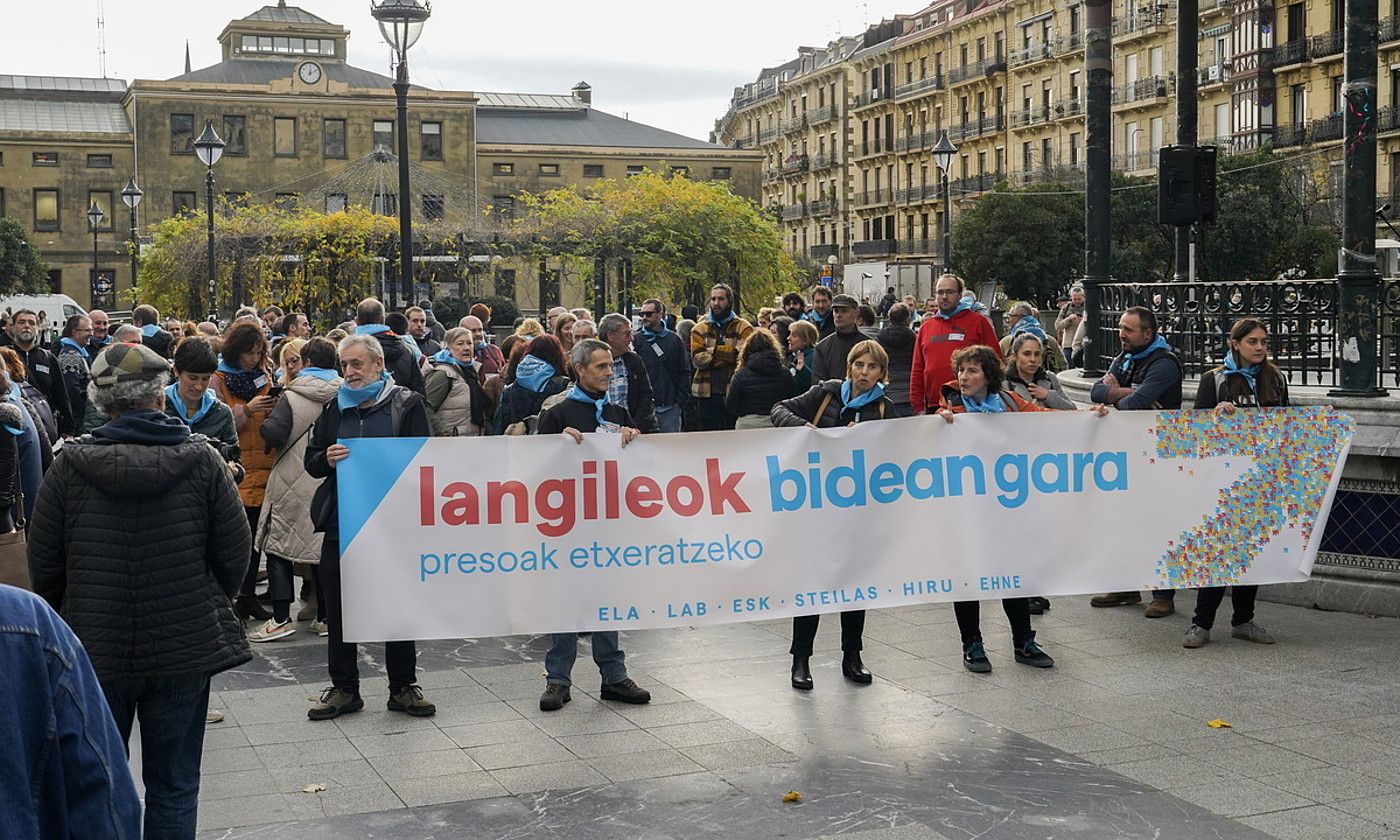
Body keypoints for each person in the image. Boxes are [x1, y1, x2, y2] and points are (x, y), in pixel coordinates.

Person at [28, 342, 251, 839]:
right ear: (159, 395)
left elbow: (44, 565)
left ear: (102, 402)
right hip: (184, 642)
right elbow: (236, 555)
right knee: (174, 784)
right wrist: (204, 596)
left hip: (95, 644)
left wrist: (73, 612)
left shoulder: (68, 467)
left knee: (100, 777)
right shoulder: (203, 461)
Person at [304, 334, 436, 720]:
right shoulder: (333, 408)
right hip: (342, 525)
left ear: (378, 365)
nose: (349, 372)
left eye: (356, 364)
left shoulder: (407, 403)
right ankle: (344, 688)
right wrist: (326, 459)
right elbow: (311, 462)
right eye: (344, 365)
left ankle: (403, 687)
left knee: (397, 604)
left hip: (393, 525)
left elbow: (425, 460)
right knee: (340, 608)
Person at [535, 338, 652, 711]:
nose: (608, 373)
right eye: (600, 366)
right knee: (565, 599)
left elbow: (641, 469)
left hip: (609, 522)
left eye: (610, 366)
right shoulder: (557, 414)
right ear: (579, 369)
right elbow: (537, 469)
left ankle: (614, 677)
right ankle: (558, 679)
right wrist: (556, 444)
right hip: (568, 525)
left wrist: (635, 441)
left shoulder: (618, 412)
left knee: (608, 599)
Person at [772, 340, 893, 690]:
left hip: (857, 509)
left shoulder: (884, 409)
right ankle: (801, 659)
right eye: (859, 365)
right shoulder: (826, 394)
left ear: (881, 373)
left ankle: (852, 655)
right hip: (817, 504)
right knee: (811, 582)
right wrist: (802, 427)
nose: (865, 373)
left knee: (855, 585)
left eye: (872, 368)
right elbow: (779, 408)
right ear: (850, 367)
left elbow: (899, 450)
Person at [933, 345, 1059, 673]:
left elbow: (1048, 423)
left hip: (1005, 507)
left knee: (1012, 571)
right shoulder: (949, 407)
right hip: (966, 508)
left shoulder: (1008, 403)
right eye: (961, 370)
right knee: (967, 574)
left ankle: (1023, 641)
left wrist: (1093, 418)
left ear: (989, 375)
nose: (963, 377)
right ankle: (972, 644)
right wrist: (940, 425)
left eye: (972, 371)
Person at [0, 584, 143, 839]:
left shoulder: (29, 622)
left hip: (98, 630)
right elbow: (103, 795)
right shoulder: (28, 620)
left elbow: (47, 566)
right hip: (182, 634)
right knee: (176, 785)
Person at [1184, 317, 1285, 649]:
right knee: (1218, 552)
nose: (1259, 348)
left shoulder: (1276, 378)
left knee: (1250, 554)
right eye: (1253, 342)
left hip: (1261, 479)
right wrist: (1217, 413)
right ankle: (1201, 623)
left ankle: (1244, 620)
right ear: (1236, 344)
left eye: (1263, 342)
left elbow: (1288, 423)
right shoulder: (1215, 380)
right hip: (1223, 482)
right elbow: (1196, 426)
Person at [1088, 306, 1184, 618]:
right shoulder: (1126, 356)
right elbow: (1095, 392)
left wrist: (1117, 393)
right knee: (1122, 518)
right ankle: (1126, 585)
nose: (1121, 334)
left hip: (1158, 454)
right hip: (1126, 451)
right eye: (1120, 328)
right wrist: (1124, 391)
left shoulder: (1165, 363)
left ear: (1148, 333)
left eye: (1128, 330)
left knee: (1158, 523)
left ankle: (1163, 594)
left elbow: (1134, 405)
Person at [253, 337, 341, 641]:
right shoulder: (346, 393)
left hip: (293, 476)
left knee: (278, 546)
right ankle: (326, 617)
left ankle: (280, 619)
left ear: (305, 363)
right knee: (321, 547)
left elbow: (274, 432)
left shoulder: (292, 396)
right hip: (328, 478)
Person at [213, 321, 278, 623]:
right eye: (249, 353)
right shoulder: (218, 380)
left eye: (258, 353)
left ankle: (248, 594)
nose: (254, 359)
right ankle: (233, 598)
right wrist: (248, 410)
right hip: (235, 468)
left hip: (263, 466)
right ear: (235, 351)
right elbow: (221, 423)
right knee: (235, 540)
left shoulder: (264, 376)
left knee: (256, 540)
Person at [909, 274, 1001, 415]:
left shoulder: (978, 322)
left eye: (950, 292)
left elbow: (997, 363)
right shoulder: (926, 327)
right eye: (940, 292)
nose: (944, 296)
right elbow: (918, 369)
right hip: (934, 406)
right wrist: (918, 406)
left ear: (959, 295)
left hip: (972, 405)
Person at [163, 336, 241, 474]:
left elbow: (237, 462)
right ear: (176, 371)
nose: (199, 386)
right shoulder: (158, 409)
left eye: (206, 379)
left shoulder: (221, 413)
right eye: (193, 378)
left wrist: (234, 472)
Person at [689, 283, 753, 431]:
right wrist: (728, 355)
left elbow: (743, 356)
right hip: (706, 393)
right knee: (708, 438)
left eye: (721, 299)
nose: (716, 303)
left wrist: (715, 350)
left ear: (729, 301)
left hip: (734, 391)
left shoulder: (744, 327)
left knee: (733, 437)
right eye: (713, 299)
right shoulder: (699, 328)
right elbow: (698, 359)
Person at [6, 309, 74, 438]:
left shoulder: (48, 358)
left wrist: (68, 429)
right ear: (13, 327)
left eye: (31, 323)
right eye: (21, 322)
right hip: (13, 427)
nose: (27, 326)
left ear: (38, 328)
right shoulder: (4, 356)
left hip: (45, 427)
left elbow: (61, 394)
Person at [494, 335, 570, 435]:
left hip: (518, 445)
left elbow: (500, 427)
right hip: (551, 443)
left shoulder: (510, 389)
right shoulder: (563, 385)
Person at [424, 327, 493, 437]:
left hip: (474, 441)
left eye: (469, 343)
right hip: (451, 445)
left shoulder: (471, 373)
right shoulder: (443, 374)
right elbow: (426, 408)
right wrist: (444, 435)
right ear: (448, 348)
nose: (466, 348)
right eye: (460, 344)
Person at [597, 313, 658, 434]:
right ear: (610, 335)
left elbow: (646, 396)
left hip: (634, 432)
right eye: (627, 334)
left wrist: (634, 427)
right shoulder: (590, 361)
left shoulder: (634, 361)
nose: (632, 338)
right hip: (601, 434)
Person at [725, 330, 798, 429]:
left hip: (748, 424)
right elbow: (792, 399)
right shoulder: (785, 373)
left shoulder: (741, 375)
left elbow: (731, 406)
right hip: (777, 422)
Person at [635, 299, 688, 433]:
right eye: (642, 314)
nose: (644, 318)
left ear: (660, 314)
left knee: (671, 447)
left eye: (648, 314)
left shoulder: (674, 340)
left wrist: (680, 400)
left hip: (669, 406)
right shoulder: (635, 339)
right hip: (644, 407)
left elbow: (684, 370)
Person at [354, 298, 425, 394]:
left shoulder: (347, 352)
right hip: (400, 406)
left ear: (357, 321)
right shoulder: (406, 349)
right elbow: (419, 390)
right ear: (383, 319)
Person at [1005, 333, 1076, 411]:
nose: (1033, 359)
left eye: (1037, 354)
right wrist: (1027, 409)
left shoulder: (1050, 378)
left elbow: (1072, 410)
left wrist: (1047, 396)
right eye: (1027, 354)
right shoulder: (1005, 383)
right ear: (1015, 356)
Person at [812, 294, 866, 381]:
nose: (839, 315)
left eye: (844, 311)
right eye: (836, 311)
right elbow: (817, 382)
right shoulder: (822, 347)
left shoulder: (869, 345)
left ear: (856, 313)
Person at [1000, 302, 1067, 373]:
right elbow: (1063, 365)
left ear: (1019, 317)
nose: (1009, 320)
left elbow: (997, 367)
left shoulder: (1006, 342)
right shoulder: (1049, 340)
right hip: (1045, 381)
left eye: (1010, 316)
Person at [876, 302, 917, 418]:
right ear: (908, 319)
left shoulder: (879, 338)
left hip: (888, 392)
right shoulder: (914, 338)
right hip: (908, 392)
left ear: (889, 318)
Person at [57, 314, 93, 432]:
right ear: (75, 332)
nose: (91, 333)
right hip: (78, 419)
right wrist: (85, 410)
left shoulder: (78, 353)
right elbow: (71, 390)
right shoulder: (70, 356)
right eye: (87, 330)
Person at [1055, 285, 1086, 363]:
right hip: (1068, 344)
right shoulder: (1066, 308)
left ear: (1083, 297)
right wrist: (1069, 319)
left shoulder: (1088, 307)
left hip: (1082, 345)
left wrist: (1083, 321)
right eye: (1074, 299)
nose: (1077, 301)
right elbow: (1057, 326)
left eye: (1079, 299)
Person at [787, 319, 819, 393]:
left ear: (806, 340)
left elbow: (814, 383)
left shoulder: (813, 357)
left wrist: (803, 369)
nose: (788, 338)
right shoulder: (797, 356)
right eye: (789, 334)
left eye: (794, 336)